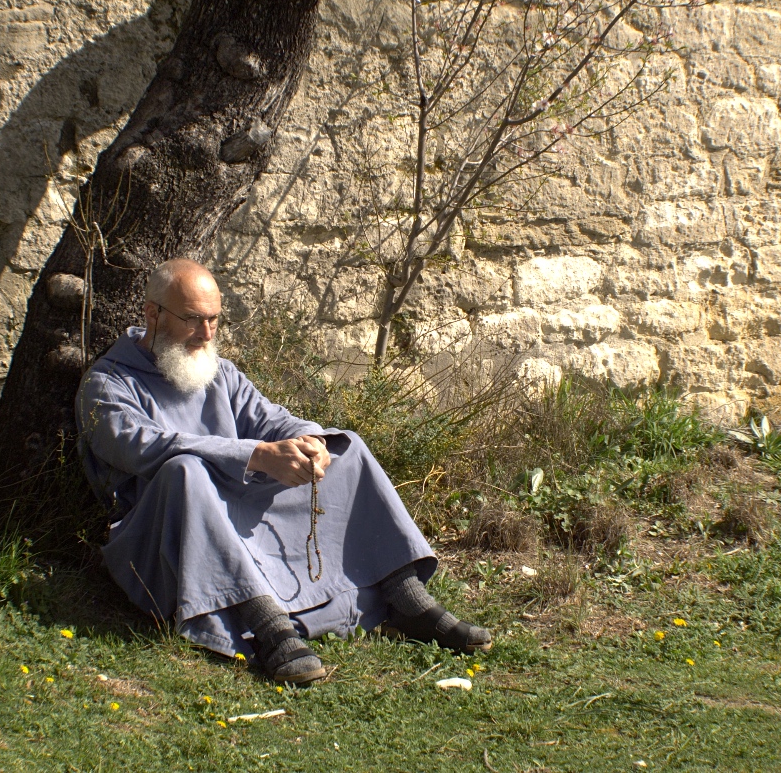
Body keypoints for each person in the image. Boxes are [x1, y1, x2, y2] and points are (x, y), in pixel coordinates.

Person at [75, 258, 490, 684]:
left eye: (214, 320)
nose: (206, 334)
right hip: (167, 530)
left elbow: (273, 419)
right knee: (185, 470)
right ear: (152, 314)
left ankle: (407, 600)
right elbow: (142, 447)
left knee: (345, 448)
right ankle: (268, 627)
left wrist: (308, 441)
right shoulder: (108, 384)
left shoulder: (219, 374)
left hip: (234, 502)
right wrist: (255, 455)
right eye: (193, 320)